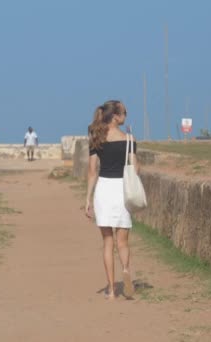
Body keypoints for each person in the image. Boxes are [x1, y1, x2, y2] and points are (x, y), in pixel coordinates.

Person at [85, 100, 138, 300]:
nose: (126, 115)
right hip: (122, 189)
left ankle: (111, 290)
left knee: (107, 241)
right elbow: (135, 169)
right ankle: (125, 270)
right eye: (124, 112)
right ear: (116, 116)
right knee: (122, 242)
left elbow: (92, 172)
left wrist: (88, 199)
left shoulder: (96, 139)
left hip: (104, 190)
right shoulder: (129, 139)